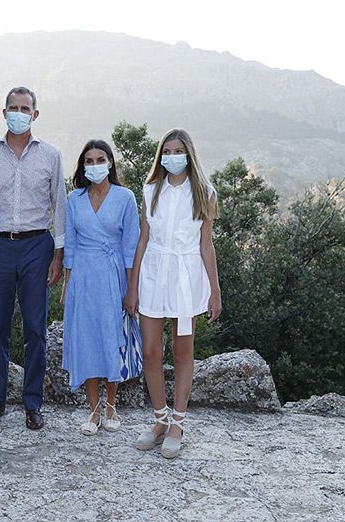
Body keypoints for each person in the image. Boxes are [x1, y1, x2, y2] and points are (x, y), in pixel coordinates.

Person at [0, 86, 67, 430]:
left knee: (35, 329)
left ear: (35, 114)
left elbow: (60, 206)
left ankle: (32, 403)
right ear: (4, 112)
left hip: (36, 246)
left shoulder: (51, 155)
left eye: (24, 108)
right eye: (13, 107)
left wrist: (58, 255)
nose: (18, 112)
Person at [124, 128, 222, 458]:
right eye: (166, 151)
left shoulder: (204, 192)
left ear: (189, 154)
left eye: (178, 151)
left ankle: (178, 423)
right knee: (151, 350)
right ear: (160, 156)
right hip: (154, 273)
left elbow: (206, 244)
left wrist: (215, 291)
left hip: (185, 276)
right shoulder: (151, 189)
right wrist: (133, 286)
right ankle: (159, 419)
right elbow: (143, 239)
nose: (172, 157)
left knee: (183, 350)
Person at [60, 140, 139, 435]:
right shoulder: (74, 199)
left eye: (100, 159)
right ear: (83, 166)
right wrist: (67, 286)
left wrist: (132, 289)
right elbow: (70, 244)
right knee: (86, 341)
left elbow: (132, 246)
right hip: (83, 275)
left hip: (113, 275)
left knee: (111, 338)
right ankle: (93, 411)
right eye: (89, 160)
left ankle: (111, 405)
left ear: (111, 163)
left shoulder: (126, 197)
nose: (95, 165)